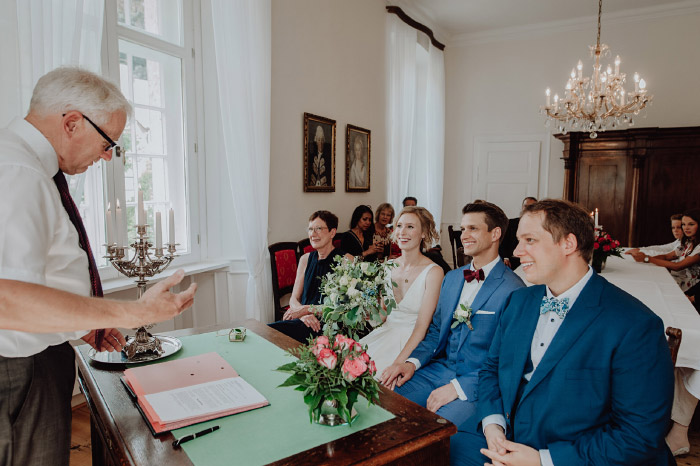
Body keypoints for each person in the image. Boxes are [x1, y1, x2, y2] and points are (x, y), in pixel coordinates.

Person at [472, 199, 674, 466]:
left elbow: (638, 436)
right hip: (506, 443)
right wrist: (493, 425)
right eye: (519, 241)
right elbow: (491, 369)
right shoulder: (518, 301)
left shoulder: (635, 325)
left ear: (568, 244)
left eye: (530, 240)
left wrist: (543, 461)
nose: (517, 251)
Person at [0, 67, 128, 465]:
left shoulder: (23, 163)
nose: (107, 156)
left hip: (34, 354)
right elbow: (11, 299)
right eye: (107, 142)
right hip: (23, 366)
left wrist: (81, 325)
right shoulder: (19, 172)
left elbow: (38, 271)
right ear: (72, 122)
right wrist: (132, 312)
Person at [381, 202, 524, 434]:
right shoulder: (453, 278)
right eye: (463, 228)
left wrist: (457, 388)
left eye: (473, 229)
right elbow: (435, 331)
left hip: (476, 382)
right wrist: (411, 363)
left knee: (437, 429)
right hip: (436, 370)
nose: (464, 235)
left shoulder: (514, 289)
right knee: (382, 399)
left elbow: (508, 360)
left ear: (495, 233)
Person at [359, 207, 443, 376]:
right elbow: (383, 315)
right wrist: (364, 312)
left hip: (413, 342)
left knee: (377, 376)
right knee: (347, 366)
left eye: (410, 227)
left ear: (423, 233)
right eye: (399, 226)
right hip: (384, 334)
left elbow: (422, 327)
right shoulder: (388, 266)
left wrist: (398, 363)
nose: (402, 232)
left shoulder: (434, 272)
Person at [0, 271, 196, 333]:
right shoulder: (24, 186)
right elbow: (7, 303)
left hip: (51, 343)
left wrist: (86, 324)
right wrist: (140, 312)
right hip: (21, 363)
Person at [268, 211, 352, 343]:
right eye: (310, 229)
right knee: (266, 332)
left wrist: (306, 310)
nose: (313, 234)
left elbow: (344, 307)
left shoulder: (346, 261)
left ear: (332, 232)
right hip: (304, 321)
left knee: (270, 335)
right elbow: (294, 299)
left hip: (328, 325)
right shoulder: (305, 259)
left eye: (318, 229)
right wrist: (303, 315)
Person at [633, 208, 700, 294]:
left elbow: (678, 266)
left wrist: (648, 259)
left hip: (692, 290)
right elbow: (666, 256)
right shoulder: (688, 241)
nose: (686, 228)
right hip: (678, 279)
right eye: (683, 224)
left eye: (691, 224)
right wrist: (644, 260)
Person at [499, 196, 537, 269]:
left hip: (531, 261)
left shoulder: (540, 227)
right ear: (522, 207)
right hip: (510, 261)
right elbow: (502, 242)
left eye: (531, 206)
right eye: (526, 206)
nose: (528, 209)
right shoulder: (510, 223)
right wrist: (505, 258)